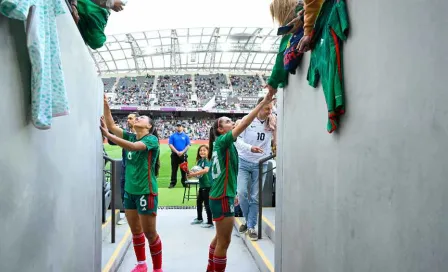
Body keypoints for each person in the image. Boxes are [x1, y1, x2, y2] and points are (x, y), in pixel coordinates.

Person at [205, 90, 275, 272]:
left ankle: (209, 268)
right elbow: (245, 123)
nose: (232, 122)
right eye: (227, 121)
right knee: (225, 242)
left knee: (219, 238)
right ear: (221, 129)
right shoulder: (223, 141)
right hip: (221, 197)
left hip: (220, 195)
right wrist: (262, 103)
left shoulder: (221, 144)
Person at [101, 96, 163, 272]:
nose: (138, 118)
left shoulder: (151, 140)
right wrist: (105, 105)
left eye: (142, 118)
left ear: (149, 126)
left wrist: (107, 136)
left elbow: (134, 147)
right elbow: (112, 126)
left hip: (146, 192)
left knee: (150, 234)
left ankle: (157, 269)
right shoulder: (130, 135)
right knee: (136, 231)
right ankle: (141, 264)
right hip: (130, 192)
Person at [235, 97, 277, 241]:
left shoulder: (272, 122)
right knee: (241, 193)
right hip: (244, 161)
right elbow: (237, 140)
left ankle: (251, 226)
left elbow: (275, 141)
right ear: (259, 107)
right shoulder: (246, 120)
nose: (269, 111)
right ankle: (248, 220)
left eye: (271, 109)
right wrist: (250, 148)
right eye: (267, 108)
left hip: (261, 163)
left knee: (255, 196)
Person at [108, 112, 139, 225]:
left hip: (137, 170)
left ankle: (137, 215)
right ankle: (128, 215)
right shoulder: (127, 134)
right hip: (125, 168)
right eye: (127, 118)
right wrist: (110, 130)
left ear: (137, 120)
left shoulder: (142, 136)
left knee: (135, 192)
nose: (128, 120)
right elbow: (111, 141)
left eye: (130, 118)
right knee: (124, 192)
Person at [188, 145, 213, 228]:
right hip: (202, 185)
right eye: (200, 150)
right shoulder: (199, 161)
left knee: (207, 204)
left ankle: (210, 222)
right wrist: (190, 174)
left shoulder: (207, 160)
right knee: (199, 202)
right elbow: (198, 174)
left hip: (208, 184)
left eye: (204, 150)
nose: (202, 152)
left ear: (208, 152)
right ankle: (199, 218)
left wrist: (193, 174)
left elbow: (206, 170)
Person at [168, 122, 191, 188]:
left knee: (184, 169)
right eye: (177, 126)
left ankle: (184, 183)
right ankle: (173, 183)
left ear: (182, 127)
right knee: (174, 169)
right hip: (174, 154)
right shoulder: (173, 136)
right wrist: (177, 152)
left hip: (183, 155)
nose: (178, 127)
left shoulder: (186, 136)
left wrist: (183, 152)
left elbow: (188, 145)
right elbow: (170, 144)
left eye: (180, 126)